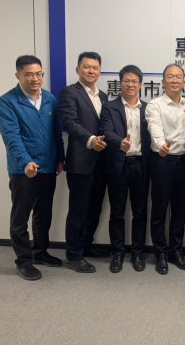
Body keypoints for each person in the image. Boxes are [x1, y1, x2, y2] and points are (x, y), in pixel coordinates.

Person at [0, 55, 65, 281]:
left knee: (43, 214)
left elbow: (56, 133)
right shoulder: (7, 101)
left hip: (48, 167)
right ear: (18, 75)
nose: (35, 78)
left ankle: (40, 252)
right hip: (23, 169)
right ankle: (24, 262)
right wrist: (25, 161)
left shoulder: (49, 99)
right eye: (29, 74)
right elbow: (11, 137)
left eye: (39, 74)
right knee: (20, 218)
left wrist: (60, 158)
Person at [58, 52, 110, 274]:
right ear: (78, 70)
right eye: (87, 67)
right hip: (81, 162)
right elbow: (70, 122)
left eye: (95, 68)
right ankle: (73, 255)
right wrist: (90, 140)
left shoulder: (104, 96)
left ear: (99, 71)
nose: (91, 71)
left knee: (95, 207)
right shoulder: (69, 93)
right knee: (78, 210)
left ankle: (87, 245)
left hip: (102, 162)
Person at [145, 64, 185, 275]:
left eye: (178, 77)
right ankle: (160, 253)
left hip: (183, 163)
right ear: (163, 82)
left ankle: (176, 251)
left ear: (184, 82)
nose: (174, 80)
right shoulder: (155, 105)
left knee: (180, 210)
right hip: (162, 161)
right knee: (159, 210)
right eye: (170, 77)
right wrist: (161, 145)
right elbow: (154, 127)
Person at [101, 65, 152, 273]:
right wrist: (118, 142)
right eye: (126, 81)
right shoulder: (109, 107)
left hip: (141, 165)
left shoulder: (148, 108)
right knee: (117, 212)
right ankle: (118, 253)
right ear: (120, 83)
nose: (130, 84)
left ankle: (138, 252)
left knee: (140, 212)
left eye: (134, 81)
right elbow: (106, 130)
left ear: (140, 85)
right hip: (118, 165)